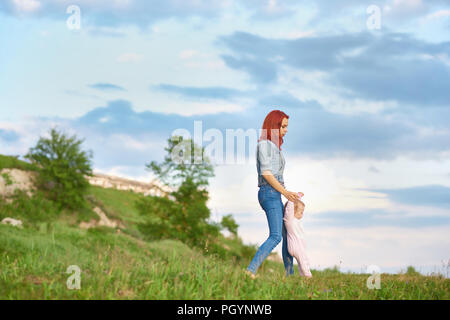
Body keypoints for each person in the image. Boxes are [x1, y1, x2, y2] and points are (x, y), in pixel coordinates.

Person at [245, 110, 302, 279]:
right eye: (283, 126)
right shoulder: (264, 145)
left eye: (286, 126)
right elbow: (267, 174)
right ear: (274, 126)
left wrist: (289, 194)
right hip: (269, 193)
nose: (286, 130)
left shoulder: (274, 146)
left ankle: (289, 276)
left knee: (286, 235)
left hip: (275, 193)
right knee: (276, 236)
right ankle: (250, 271)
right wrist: (285, 192)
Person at [283, 192, 312, 278]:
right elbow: (290, 208)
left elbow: (296, 204)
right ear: (294, 211)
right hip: (295, 246)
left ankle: (303, 276)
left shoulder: (295, 220)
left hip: (297, 246)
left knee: (301, 262)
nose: (302, 215)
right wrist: (291, 200)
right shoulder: (290, 220)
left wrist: (298, 198)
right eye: (301, 212)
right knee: (304, 261)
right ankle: (308, 276)